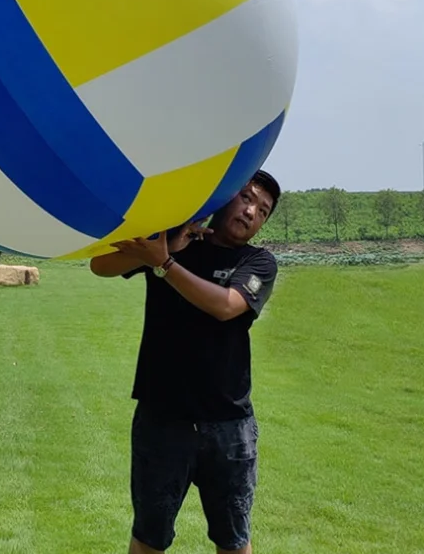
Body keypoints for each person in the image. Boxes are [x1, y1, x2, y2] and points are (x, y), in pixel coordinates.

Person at [89, 170, 282, 554]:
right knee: (149, 537)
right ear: (225, 195)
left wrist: (165, 265)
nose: (250, 212)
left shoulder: (258, 262)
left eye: (262, 211)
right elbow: (101, 265)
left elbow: (226, 306)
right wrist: (159, 251)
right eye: (246, 197)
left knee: (234, 541)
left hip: (228, 427)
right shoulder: (174, 238)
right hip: (162, 420)